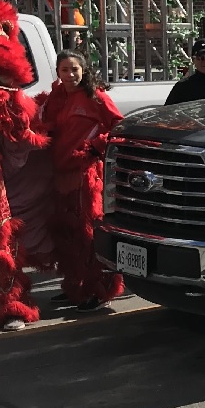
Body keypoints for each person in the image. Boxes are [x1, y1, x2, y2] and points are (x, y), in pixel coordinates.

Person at [36, 50, 123, 311]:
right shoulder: (55, 98)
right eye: (64, 70)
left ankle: (100, 289)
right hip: (61, 173)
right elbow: (47, 126)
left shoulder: (95, 96)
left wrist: (94, 147)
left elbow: (117, 126)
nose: (70, 74)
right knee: (67, 233)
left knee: (88, 233)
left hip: (85, 174)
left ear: (83, 71)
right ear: (58, 72)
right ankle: (75, 287)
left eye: (74, 69)